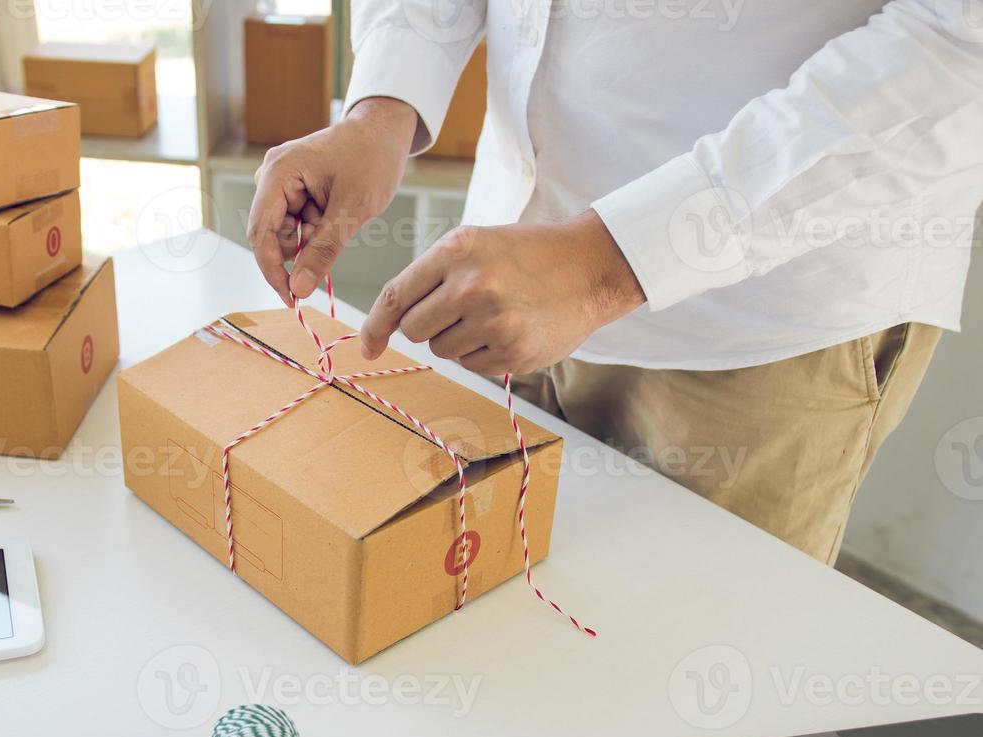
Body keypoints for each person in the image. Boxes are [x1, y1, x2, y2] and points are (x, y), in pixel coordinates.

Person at [247, 0, 983, 563]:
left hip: (755, 326)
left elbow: (959, 44)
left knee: (685, 708)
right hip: (507, 266)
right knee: (498, 639)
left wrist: (610, 264)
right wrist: (384, 106)